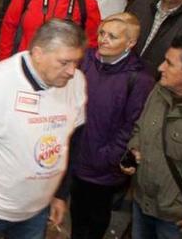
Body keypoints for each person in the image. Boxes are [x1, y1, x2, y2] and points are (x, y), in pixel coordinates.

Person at [0, 19, 87, 238]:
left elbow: (73, 141)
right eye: (64, 62)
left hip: (37, 210)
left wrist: (61, 193)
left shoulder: (76, 82)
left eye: (76, 62)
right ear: (38, 53)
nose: (72, 71)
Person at [71, 12, 154, 239]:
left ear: (130, 43)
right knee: (76, 215)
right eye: (102, 33)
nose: (103, 39)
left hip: (104, 167)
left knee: (96, 219)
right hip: (76, 154)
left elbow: (133, 125)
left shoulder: (140, 79)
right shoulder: (85, 59)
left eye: (112, 37)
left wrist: (108, 156)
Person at [124, 34, 182, 239]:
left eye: (169, 64)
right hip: (142, 205)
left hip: (178, 221)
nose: (160, 68)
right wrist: (133, 149)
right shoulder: (159, 90)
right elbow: (140, 128)